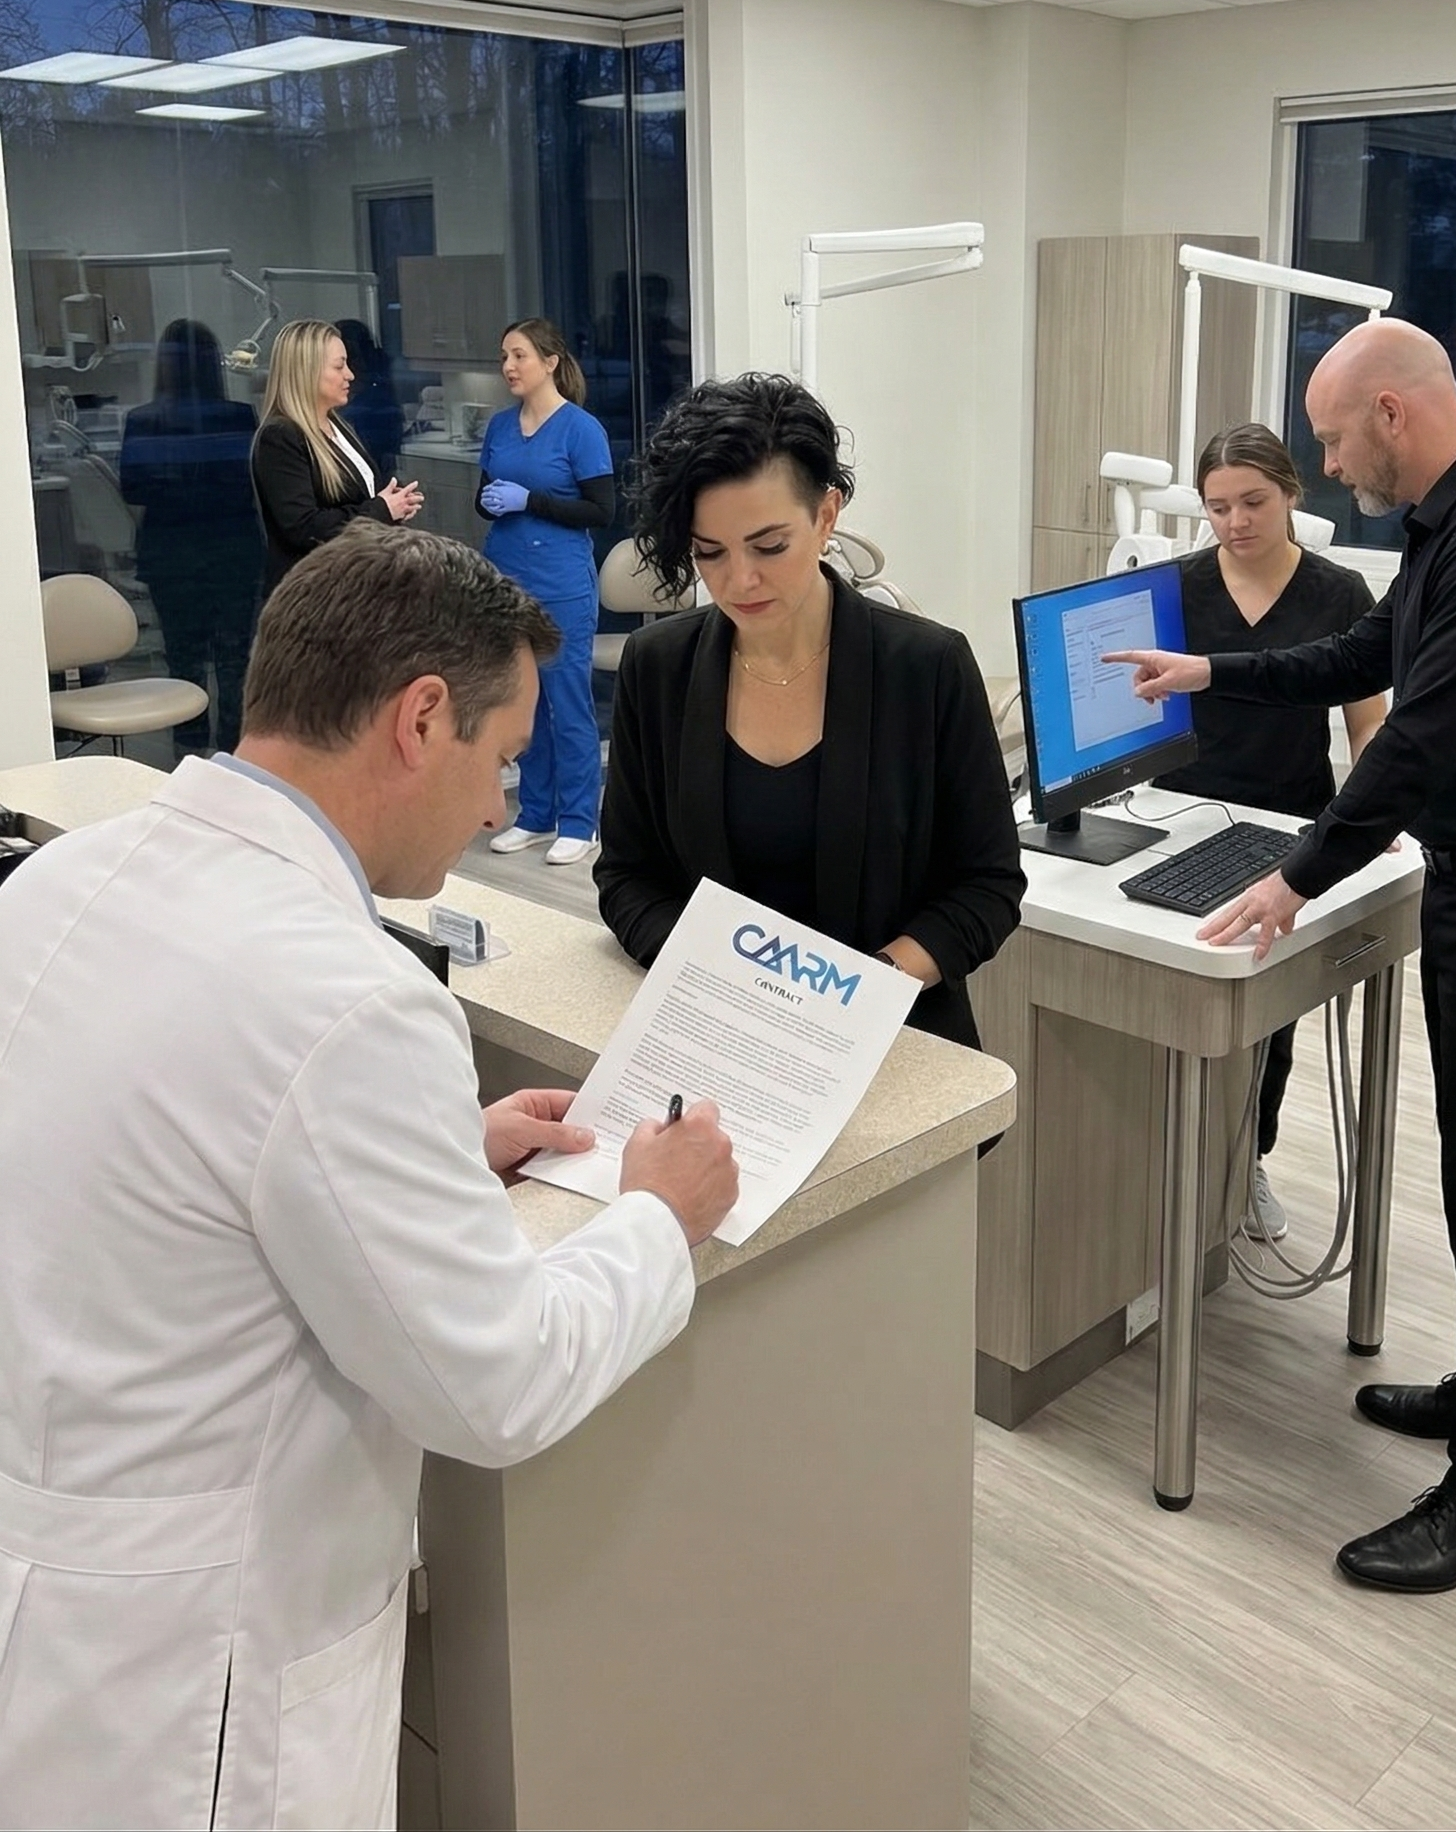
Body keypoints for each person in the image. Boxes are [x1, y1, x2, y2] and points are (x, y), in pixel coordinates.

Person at [0, 526, 738, 1831]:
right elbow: (498, 1383)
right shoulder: (350, 1001)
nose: (499, 808)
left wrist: (439, 1145)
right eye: (500, 760)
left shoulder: (61, 876)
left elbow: (169, 1163)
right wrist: (656, 1215)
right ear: (420, 718)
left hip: (57, 1607)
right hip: (200, 1687)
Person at [1110, 321, 1456, 1594]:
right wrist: (1207, 666)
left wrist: (1295, 876)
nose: (1332, 467)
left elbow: (1416, 739)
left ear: (1391, 411)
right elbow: (1355, 658)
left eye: (1336, 439)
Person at [596, 373, 1024, 1051]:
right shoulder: (658, 668)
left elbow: (987, 885)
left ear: (826, 516)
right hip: (716, 1031)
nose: (740, 580)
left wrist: (857, 992)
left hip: (893, 1036)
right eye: (710, 552)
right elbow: (627, 876)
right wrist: (723, 981)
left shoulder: (927, 667)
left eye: (769, 546)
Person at [1153, 423, 1385, 1240]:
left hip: (1289, 818)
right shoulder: (1175, 589)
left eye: (1253, 501)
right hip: (1180, 813)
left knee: (1267, 1013)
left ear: (1291, 493)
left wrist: (1372, 810)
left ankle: (1247, 1157)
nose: (1235, 522)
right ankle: (1156, 1168)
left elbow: (1367, 722)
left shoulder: (1340, 594)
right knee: (1170, 993)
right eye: (1217, 507)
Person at [477, 319, 615, 868]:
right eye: (504, 357)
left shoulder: (580, 430)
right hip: (506, 580)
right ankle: (535, 814)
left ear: (550, 362)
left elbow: (601, 510)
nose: (509, 367)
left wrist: (529, 501)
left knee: (567, 701)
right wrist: (493, 502)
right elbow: (483, 497)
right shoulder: (500, 427)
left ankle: (579, 821)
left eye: (519, 356)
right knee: (522, 701)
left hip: (561, 585)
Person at [118, 318, 260, 753]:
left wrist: (174, 485)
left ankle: (189, 754)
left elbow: (133, 488)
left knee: (184, 662)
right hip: (232, 549)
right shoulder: (238, 417)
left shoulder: (143, 420)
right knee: (234, 663)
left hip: (171, 553)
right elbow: (249, 484)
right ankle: (234, 755)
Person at [251, 318, 422, 591]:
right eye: (339, 366)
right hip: (317, 594)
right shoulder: (280, 438)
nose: (350, 375)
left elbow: (359, 495)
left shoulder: (338, 425)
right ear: (307, 371)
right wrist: (381, 509)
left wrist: (394, 502)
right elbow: (304, 528)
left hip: (358, 583)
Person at [337, 315, 405, 484]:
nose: (349, 373)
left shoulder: (376, 391)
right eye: (339, 365)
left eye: (350, 360)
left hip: (375, 463)